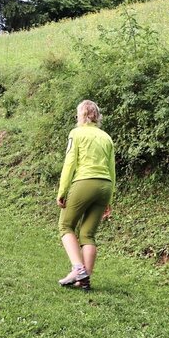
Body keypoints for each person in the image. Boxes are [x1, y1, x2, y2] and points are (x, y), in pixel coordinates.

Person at [55, 100, 116, 291]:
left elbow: (70, 164)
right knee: (87, 234)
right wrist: (110, 199)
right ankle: (85, 279)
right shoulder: (106, 137)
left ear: (80, 115)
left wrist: (62, 191)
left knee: (65, 226)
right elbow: (112, 170)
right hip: (105, 186)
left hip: (84, 182)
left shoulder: (77, 133)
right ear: (97, 116)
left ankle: (78, 269)